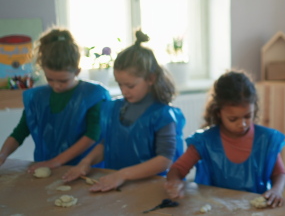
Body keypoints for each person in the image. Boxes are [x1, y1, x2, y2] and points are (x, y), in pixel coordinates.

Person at [63, 30, 185, 192]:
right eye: (120, 85)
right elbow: (108, 144)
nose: (124, 91)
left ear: (151, 79)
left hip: (150, 189)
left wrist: (123, 174)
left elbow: (164, 160)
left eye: (130, 85)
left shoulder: (162, 115)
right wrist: (86, 162)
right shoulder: (115, 108)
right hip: (118, 186)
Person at [164, 70, 285, 208]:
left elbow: (279, 173)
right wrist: (174, 182)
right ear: (218, 112)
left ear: (254, 109)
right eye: (233, 119)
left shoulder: (266, 139)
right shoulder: (204, 141)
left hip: (255, 210)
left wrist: (276, 190)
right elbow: (177, 169)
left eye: (248, 116)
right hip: (216, 209)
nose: (242, 124)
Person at [0, 28, 110, 172]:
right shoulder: (36, 98)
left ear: (77, 71)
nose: (56, 85)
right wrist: (3, 155)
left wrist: (56, 162)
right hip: (48, 168)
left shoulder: (94, 95)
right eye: (50, 79)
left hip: (86, 169)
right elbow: (19, 132)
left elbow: (92, 135)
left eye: (63, 81)